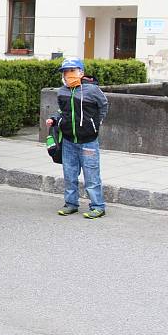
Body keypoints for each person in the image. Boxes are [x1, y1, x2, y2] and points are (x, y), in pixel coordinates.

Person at [46, 57, 109, 219]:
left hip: (88, 141)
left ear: (81, 72)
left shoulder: (92, 90)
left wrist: (95, 123)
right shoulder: (62, 91)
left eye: (72, 71)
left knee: (91, 175)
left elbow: (104, 105)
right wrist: (54, 119)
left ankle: (97, 206)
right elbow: (63, 112)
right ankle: (71, 204)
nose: (69, 75)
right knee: (69, 174)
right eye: (66, 72)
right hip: (68, 141)